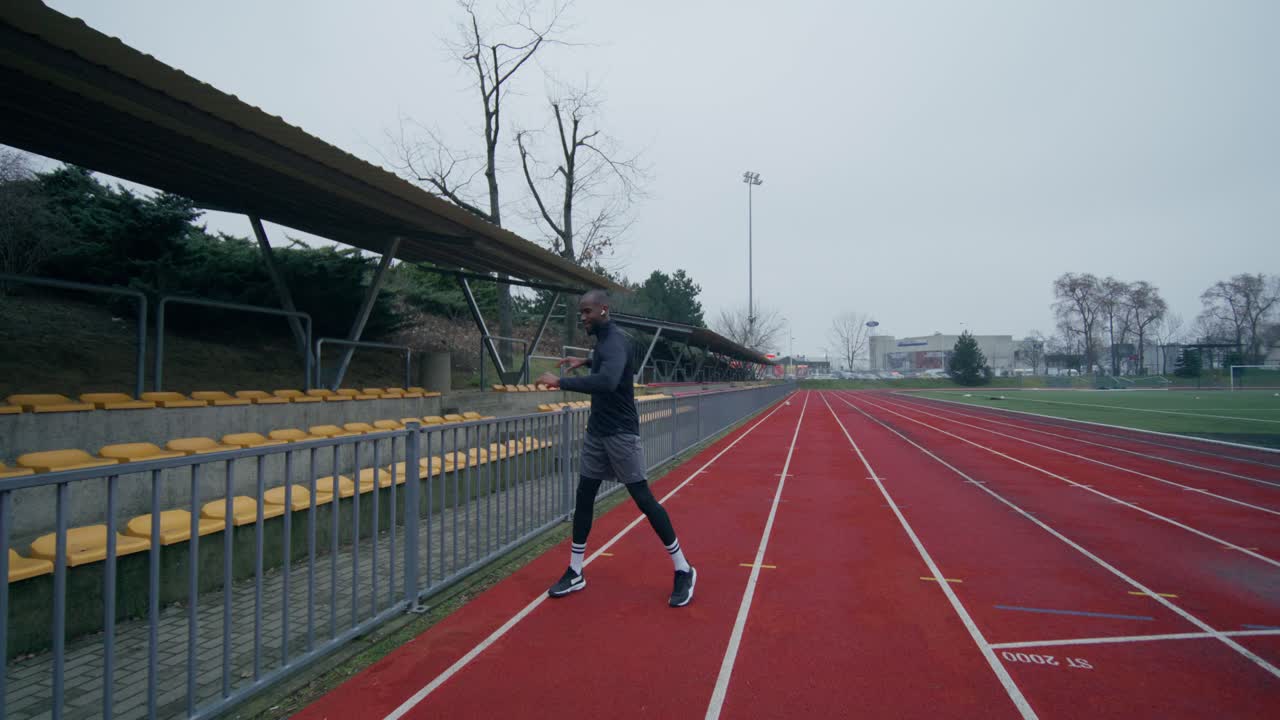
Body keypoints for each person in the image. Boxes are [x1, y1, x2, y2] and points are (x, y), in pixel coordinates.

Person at [536, 289, 696, 607]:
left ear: (603, 310)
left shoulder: (615, 341)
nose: (583, 318)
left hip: (621, 434)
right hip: (597, 432)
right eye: (581, 312)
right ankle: (575, 570)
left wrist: (561, 382)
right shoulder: (607, 342)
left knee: (644, 500)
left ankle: (684, 568)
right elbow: (608, 360)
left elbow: (609, 380)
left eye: (587, 312)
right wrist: (585, 359)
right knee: (584, 497)